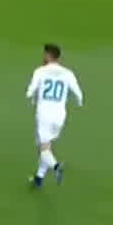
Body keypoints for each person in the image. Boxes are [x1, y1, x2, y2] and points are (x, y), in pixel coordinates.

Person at [27, 43, 82, 187]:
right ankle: (39, 178)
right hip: (60, 116)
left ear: (48, 55)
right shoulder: (68, 73)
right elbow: (78, 93)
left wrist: (31, 96)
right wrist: (78, 101)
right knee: (47, 145)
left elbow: (30, 90)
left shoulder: (40, 71)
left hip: (44, 114)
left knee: (43, 148)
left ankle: (56, 166)